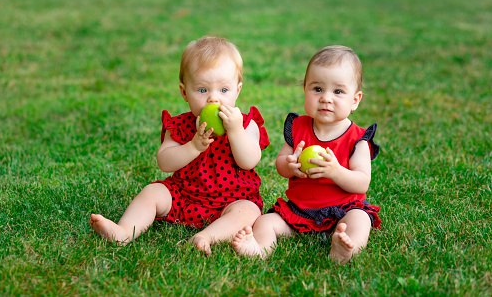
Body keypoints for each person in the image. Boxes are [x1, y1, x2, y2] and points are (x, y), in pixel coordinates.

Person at [90, 35, 269, 255]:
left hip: (230, 200)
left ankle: (205, 237)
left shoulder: (245, 124)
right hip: (184, 195)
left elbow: (250, 160)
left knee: (249, 211)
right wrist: (193, 146)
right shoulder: (181, 125)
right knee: (153, 192)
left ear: (238, 90)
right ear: (184, 92)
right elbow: (164, 162)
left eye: (224, 90)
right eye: (202, 90)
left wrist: (235, 131)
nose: (214, 99)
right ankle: (124, 231)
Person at [232, 45, 381, 264]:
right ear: (305, 90)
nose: (326, 98)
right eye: (317, 89)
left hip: (343, 210)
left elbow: (362, 183)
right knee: (265, 221)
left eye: (338, 92)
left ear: (355, 100)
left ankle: (345, 249)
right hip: (299, 210)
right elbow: (281, 164)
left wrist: (336, 171)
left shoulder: (357, 139)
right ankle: (260, 248)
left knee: (360, 220)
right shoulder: (298, 127)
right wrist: (290, 165)